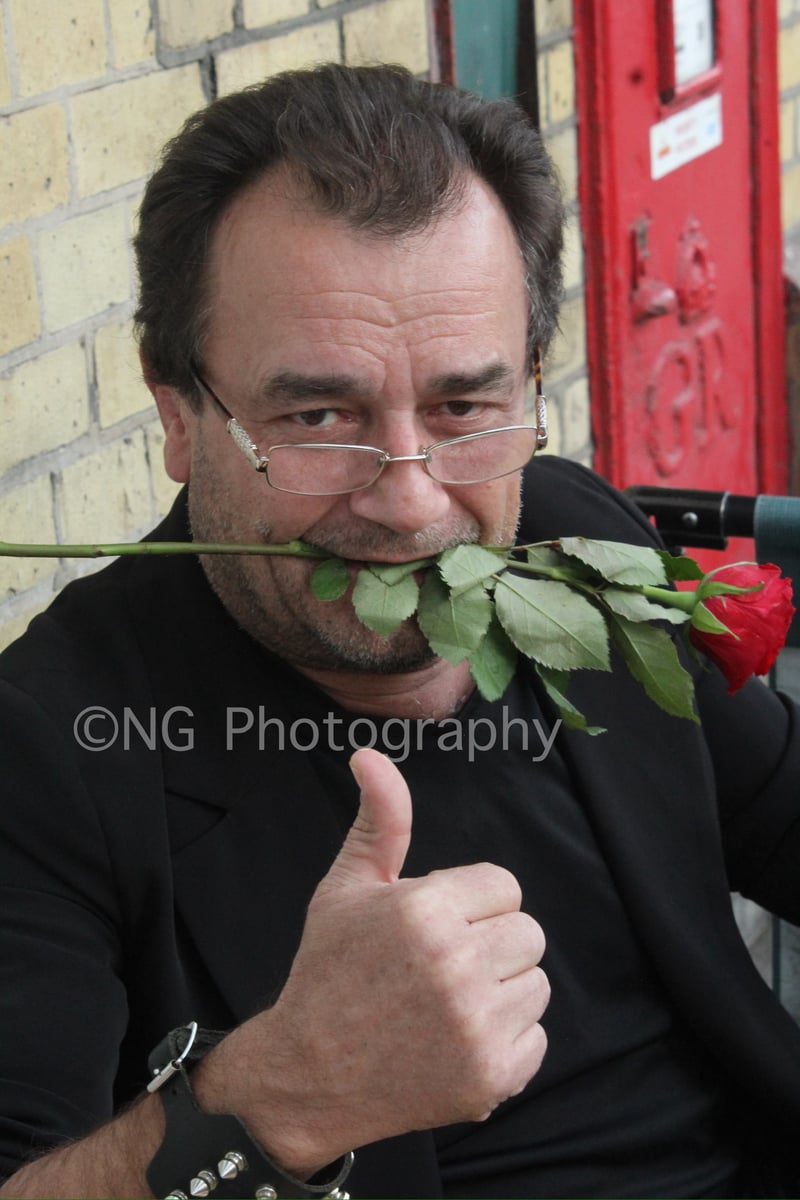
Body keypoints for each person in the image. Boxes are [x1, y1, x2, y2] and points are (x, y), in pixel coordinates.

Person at [1, 63, 800, 1200]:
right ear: (178, 414)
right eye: (318, 417)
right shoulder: (51, 745)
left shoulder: (566, 540)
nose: (413, 503)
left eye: (463, 407)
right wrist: (277, 1100)